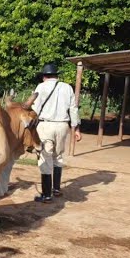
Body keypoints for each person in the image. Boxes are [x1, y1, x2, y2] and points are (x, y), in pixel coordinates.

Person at [32, 63, 82, 203]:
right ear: (56, 75)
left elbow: (35, 109)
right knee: (58, 156)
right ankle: (56, 189)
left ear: (44, 76)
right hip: (62, 126)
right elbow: (73, 109)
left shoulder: (41, 87)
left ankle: (47, 195)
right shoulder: (67, 87)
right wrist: (76, 129)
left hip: (45, 125)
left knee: (45, 157)